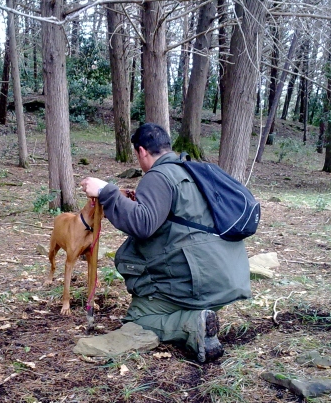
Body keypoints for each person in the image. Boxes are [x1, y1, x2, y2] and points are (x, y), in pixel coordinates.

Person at [80, 123, 251, 362]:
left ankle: (192, 324)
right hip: (228, 280)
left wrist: (106, 192)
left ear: (141, 151)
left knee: (139, 316)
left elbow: (143, 224)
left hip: (199, 284)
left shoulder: (159, 176)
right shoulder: (192, 172)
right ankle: (198, 312)